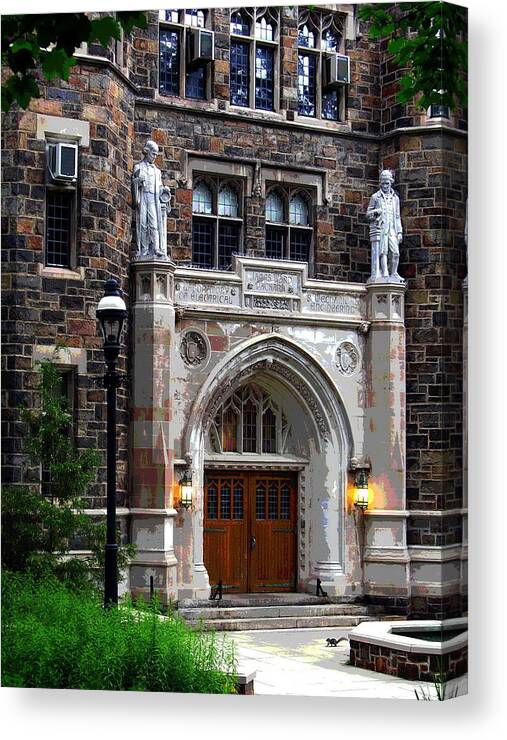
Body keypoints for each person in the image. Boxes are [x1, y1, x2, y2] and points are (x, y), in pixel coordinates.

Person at [132, 139, 171, 260]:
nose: (154, 157)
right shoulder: (138, 167)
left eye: (156, 154)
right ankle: (143, 251)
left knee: (154, 223)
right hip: (143, 197)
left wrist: (165, 190)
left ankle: (156, 248)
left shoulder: (157, 171)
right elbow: (134, 182)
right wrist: (137, 182)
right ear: (146, 152)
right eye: (153, 153)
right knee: (143, 224)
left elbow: (159, 188)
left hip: (153, 199)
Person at [366, 169, 403, 281]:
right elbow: (368, 214)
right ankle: (385, 273)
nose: (385, 186)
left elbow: (397, 216)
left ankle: (394, 273)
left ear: (391, 183)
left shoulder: (395, 198)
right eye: (383, 183)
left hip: (392, 227)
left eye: (387, 183)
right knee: (383, 251)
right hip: (381, 227)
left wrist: (399, 232)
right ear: (380, 183)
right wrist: (376, 212)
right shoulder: (375, 197)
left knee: (395, 252)